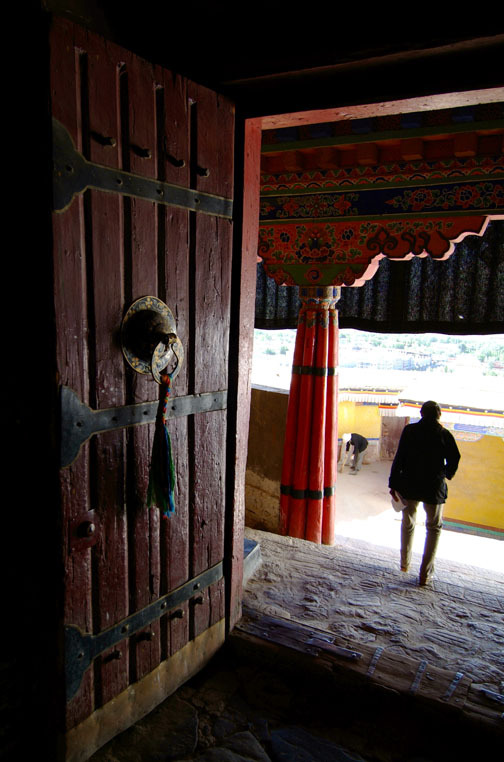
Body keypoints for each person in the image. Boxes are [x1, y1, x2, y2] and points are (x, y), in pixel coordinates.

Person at [389, 400, 460, 586]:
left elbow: (400, 457)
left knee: (408, 523)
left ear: (421, 414)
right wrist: (446, 473)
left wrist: (393, 483)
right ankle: (425, 575)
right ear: (439, 415)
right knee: (434, 528)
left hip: (409, 484)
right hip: (433, 487)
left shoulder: (410, 431)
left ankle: (405, 564)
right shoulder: (444, 434)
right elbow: (455, 457)